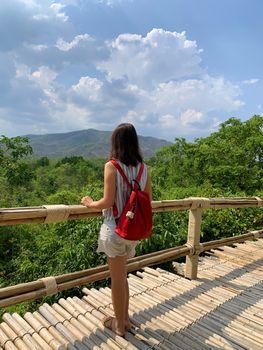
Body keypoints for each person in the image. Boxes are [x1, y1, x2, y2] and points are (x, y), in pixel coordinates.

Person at [81, 123, 152, 337]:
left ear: (116, 143)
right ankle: (125, 320)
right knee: (123, 277)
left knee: (117, 279)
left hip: (115, 229)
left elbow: (107, 201)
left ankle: (119, 326)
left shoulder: (111, 166)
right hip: (133, 231)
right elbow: (147, 200)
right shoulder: (143, 168)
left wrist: (89, 203)